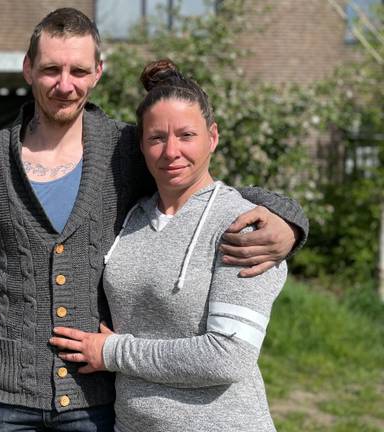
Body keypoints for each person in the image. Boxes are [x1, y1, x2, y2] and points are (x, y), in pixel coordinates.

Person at [0, 8, 307, 431]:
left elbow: (197, 185)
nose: (65, 85)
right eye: (51, 69)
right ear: (28, 68)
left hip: (96, 396)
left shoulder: (126, 148)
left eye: (79, 70)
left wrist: (289, 221)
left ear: (98, 72)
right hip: (9, 398)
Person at [49, 59, 285, 431]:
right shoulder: (131, 218)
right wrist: (3, 274)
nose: (171, 151)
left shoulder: (243, 226)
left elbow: (228, 356)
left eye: (186, 135)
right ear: (141, 146)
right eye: (157, 138)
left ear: (213, 137)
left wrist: (112, 352)